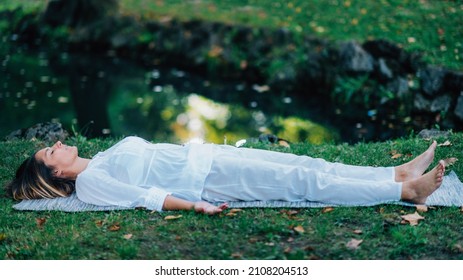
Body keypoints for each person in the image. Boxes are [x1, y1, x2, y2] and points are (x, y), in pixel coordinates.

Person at [6, 136, 445, 215]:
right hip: (211, 181)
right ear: (56, 171)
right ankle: (405, 192)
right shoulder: (90, 182)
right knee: (306, 185)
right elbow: (147, 198)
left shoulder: (99, 158)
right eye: (52, 150)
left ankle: (394, 171)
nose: (59, 144)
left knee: (307, 165)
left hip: (211, 157)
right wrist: (192, 204)